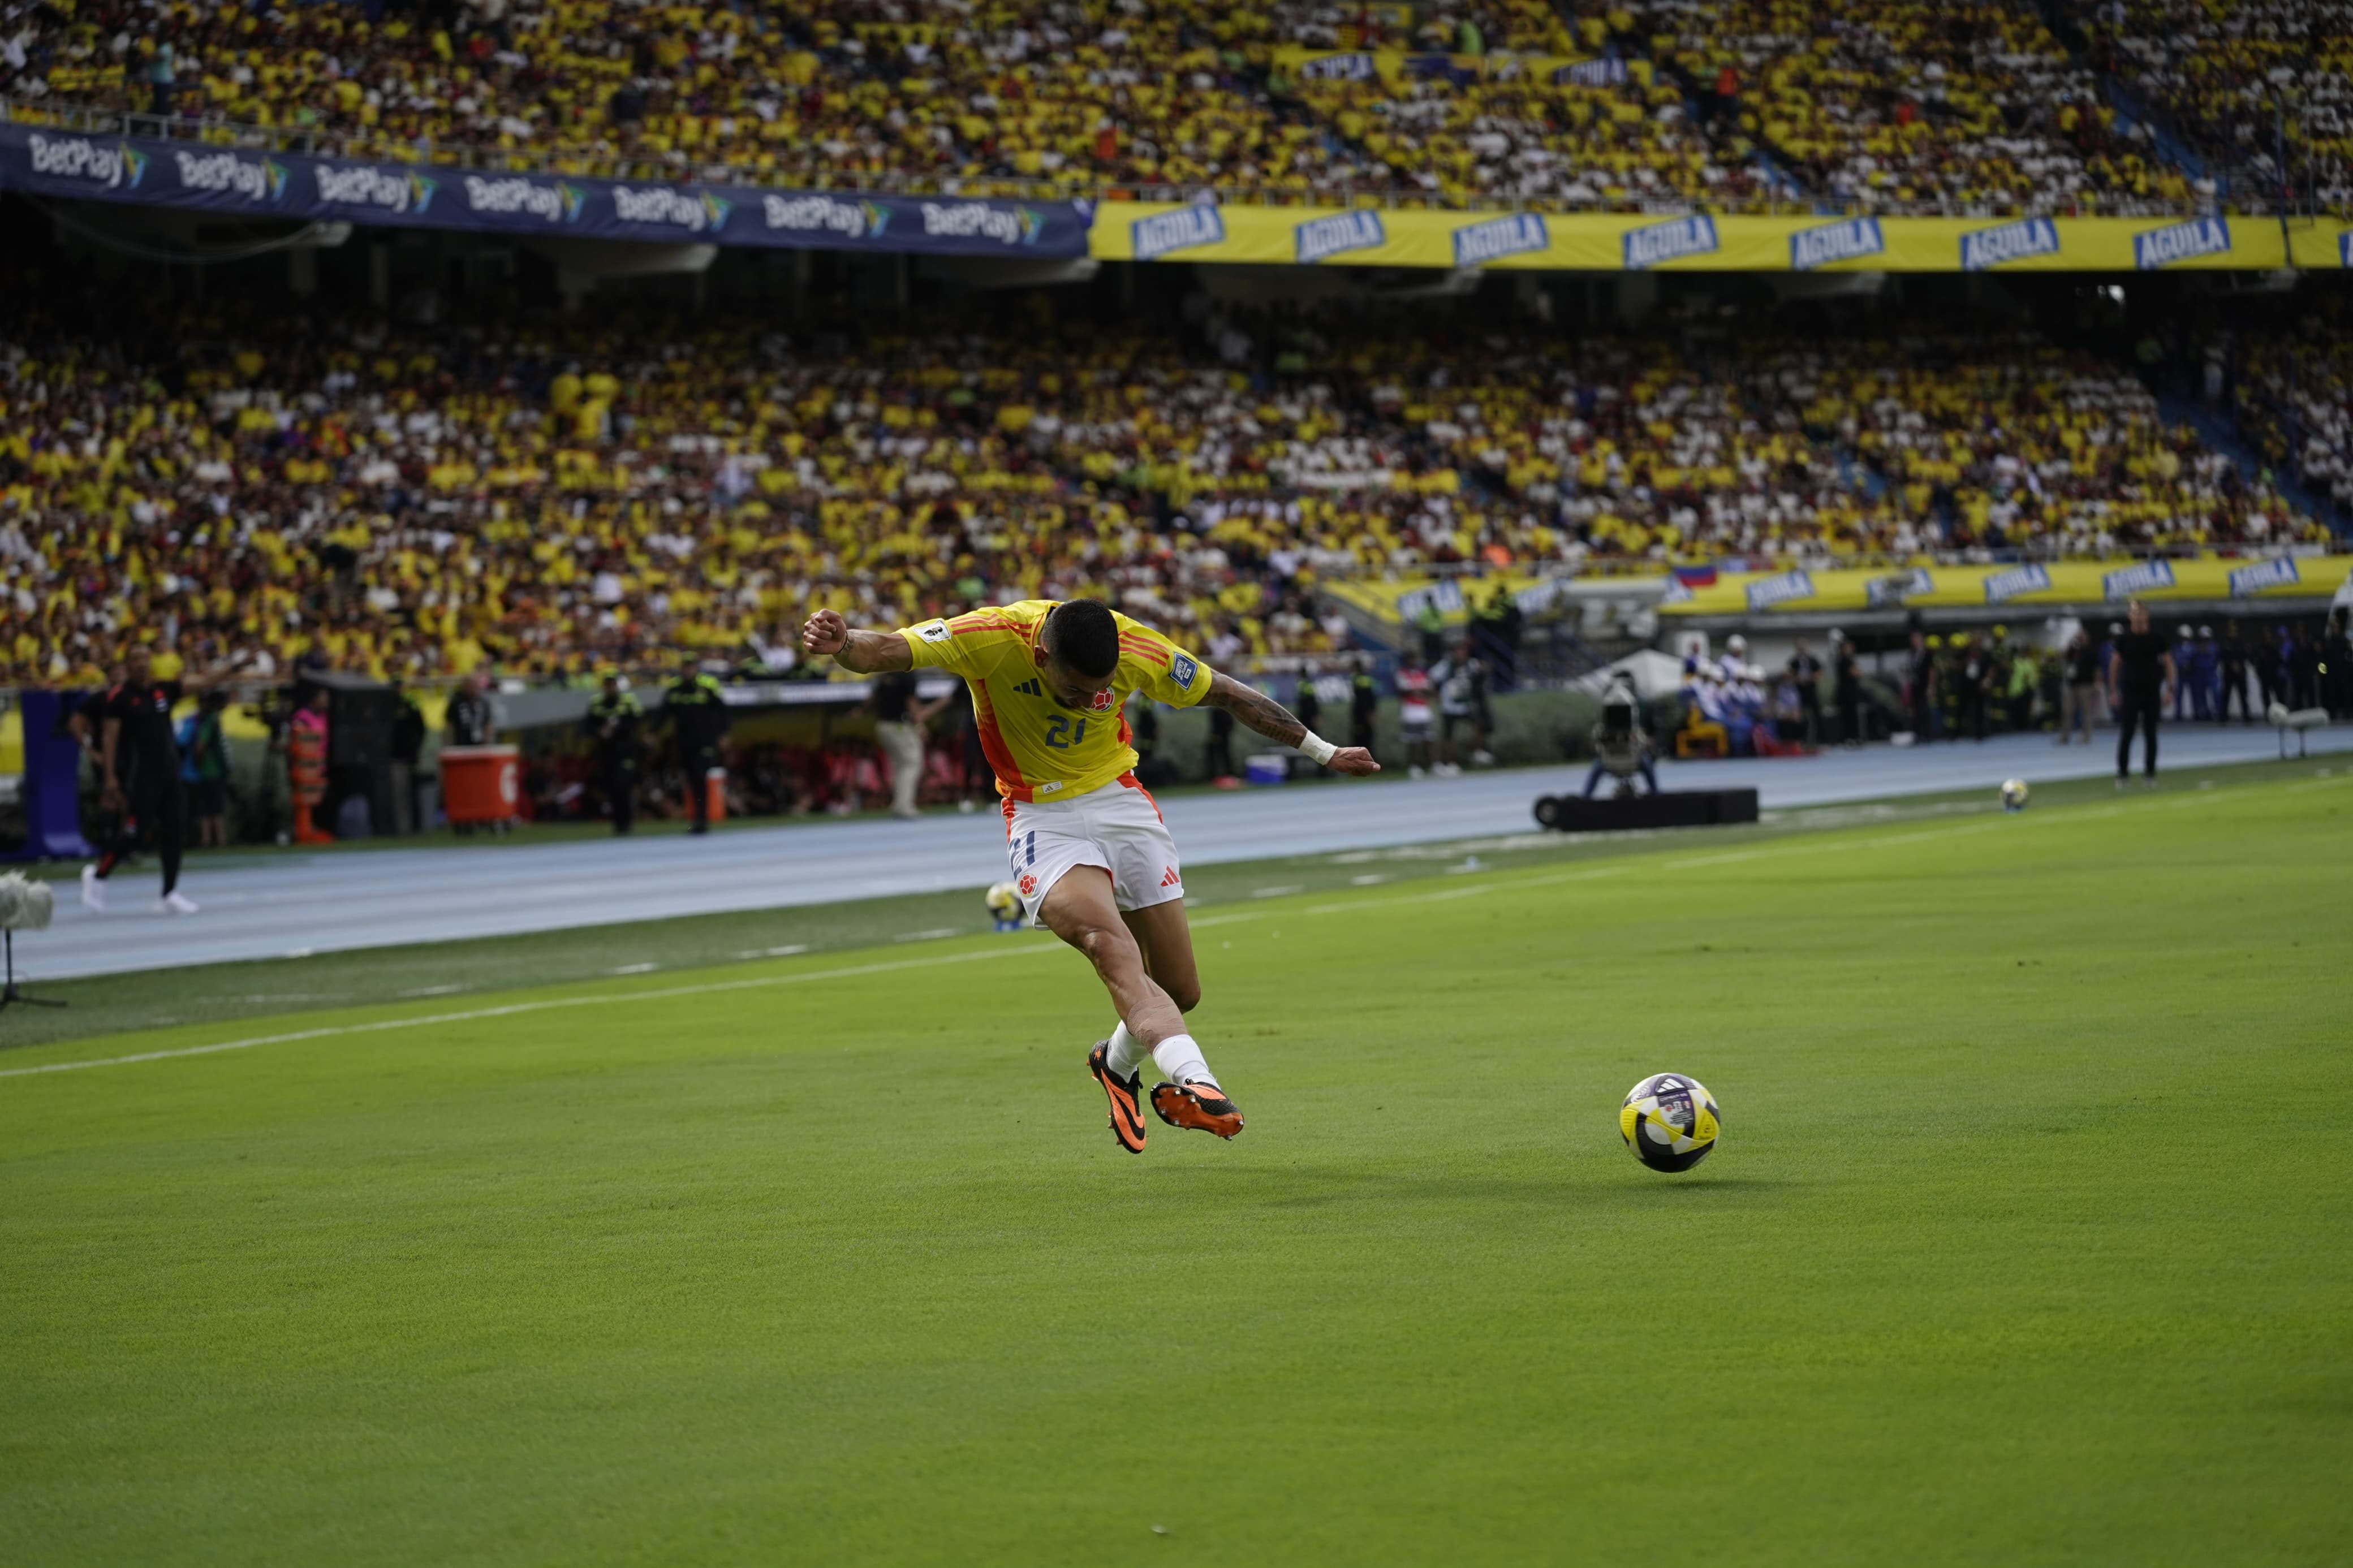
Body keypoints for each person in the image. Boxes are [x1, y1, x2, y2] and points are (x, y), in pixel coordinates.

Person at [800, 598, 1378, 1153]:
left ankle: (1114, 1061)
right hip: (1040, 816)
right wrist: (844, 642)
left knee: (1178, 988)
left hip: (1120, 803)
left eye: (1101, 690)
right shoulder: (990, 637)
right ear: (1043, 658)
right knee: (1111, 946)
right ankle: (1200, 1082)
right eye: (1077, 689)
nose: (1089, 700)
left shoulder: (1136, 649)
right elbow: (884, 651)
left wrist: (1323, 751)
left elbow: (1227, 693)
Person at [85, 644, 245, 914]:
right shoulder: (120, 697)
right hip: (143, 776)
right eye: (135, 659)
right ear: (127, 664)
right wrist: (111, 778)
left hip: (171, 773)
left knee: (174, 832)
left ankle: (169, 892)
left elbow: (205, 681)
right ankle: (98, 876)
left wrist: (235, 666)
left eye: (145, 658)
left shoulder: (164, 690)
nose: (141, 664)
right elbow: (110, 737)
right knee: (134, 834)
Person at [2110, 599, 2174, 789]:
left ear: (2147, 615)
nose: (2137, 615)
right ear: (2130, 616)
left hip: (2151, 692)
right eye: (2133, 612)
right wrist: (2113, 690)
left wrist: (2169, 688)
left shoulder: (2157, 639)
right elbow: (2115, 664)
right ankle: (2122, 775)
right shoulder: (2123, 640)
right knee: (2127, 734)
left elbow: (2169, 663)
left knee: (2151, 734)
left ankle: (2150, 774)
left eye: (2140, 612)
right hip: (2130, 692)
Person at [869, 666, 947, 820]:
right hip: (899, 726)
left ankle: (898, 804)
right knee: (912, 764)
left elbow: (871, 699)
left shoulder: (887, 673)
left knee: (899, 766)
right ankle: (904, 806)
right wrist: (922, 725)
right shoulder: (907, 676)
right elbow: (913, 707)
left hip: (882, 726)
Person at [663, 657, 730, 834]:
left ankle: (702, 819)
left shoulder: (708, 685)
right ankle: (696, 818)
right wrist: (652, 732)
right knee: (692, 779)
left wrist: (723, 734)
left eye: (691, 667)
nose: (688, 670)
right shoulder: (675, 687)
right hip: (684, 741)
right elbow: (664, 712)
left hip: (705, 740)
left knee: (700, 777)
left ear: (696, 668)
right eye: (685, 667)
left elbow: (722, 710)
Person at [585, 673, 644, 835]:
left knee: (622, 785)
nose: (610, 688)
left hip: (625, 751)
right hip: (606, 753)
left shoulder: (629, 701)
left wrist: (617, 728)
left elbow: (637, 721)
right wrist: (600, 731)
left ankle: (626, 822)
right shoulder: (597, 703)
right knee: (612, 787)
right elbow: (587, 726)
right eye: (608, 684)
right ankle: (618, 823)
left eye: (613, 684)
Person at [1581, 675, 1658, 797]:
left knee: (1647, 764)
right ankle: (1585, 798)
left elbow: (1642, 742)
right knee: (1597, 768)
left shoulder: (1634, 729)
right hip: (1610, 759)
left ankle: (1656, 795)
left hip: (1630, 758)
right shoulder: (1602, 729)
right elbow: (1596, 741)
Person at [176, 690, 232, 849]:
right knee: (212, 807)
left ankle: (208, 839)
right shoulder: (210, 720)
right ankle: (214, 839)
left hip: (207, 770)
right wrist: (199, 763)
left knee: (208, 807)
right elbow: (200, 745)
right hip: (210, 770)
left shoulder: (204, 719)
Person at [1395, 655, 1436, 777]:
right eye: (1410, 659)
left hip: (1423, 709)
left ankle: (1434, 765)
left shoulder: (1422, 673)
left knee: (1429, 739)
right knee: (1412, 741)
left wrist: (1416, 690)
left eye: (1414, 659)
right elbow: (1404, 691)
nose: (1413, 661)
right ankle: (1413, 766)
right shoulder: (1401, 674)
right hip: (1410, 710)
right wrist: (1419, 690)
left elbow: (1430, 690)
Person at [2059, 627, 2099, 745]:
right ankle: (2064, 736)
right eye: (2079, 637)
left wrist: (2097, 683)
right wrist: (2071, 642)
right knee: (2067, 710)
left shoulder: (2091, 651)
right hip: (2072, 685)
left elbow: (2098, 669)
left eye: (2082, 637)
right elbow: (2062, 656)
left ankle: (2086, 736)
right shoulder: (2073, 650)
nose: (2080, 639)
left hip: (2086, 685)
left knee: (2086, 712)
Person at [445, 674, 495, 748]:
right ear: (464, 686)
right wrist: (449, 745)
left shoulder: (483, 702)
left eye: (474, 685)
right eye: (469, 685)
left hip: (480, 745)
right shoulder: (456, 702)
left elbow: (488, 723)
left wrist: (488, 742)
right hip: (460, 745)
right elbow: (449, 725)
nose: (472, 688)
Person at [1790, 637, 1824, 745]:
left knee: (1816, 714)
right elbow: (1790, 675)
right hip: (1799, 691)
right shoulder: (1794, 661)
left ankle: (1819, 738)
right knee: (1802, 716)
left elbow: (1819, 673)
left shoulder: (1813, 660)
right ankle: (1803, 739)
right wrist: (1798, 679)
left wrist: (1810, 678)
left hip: (1811, 690)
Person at [1833, 634, 1862, 746]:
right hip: (1847, 693)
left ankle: (1852, 737)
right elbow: (1856, 673)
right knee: (1849, 716)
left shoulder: (1847, 660)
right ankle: (1850, 737)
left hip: (1850, 692)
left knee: (1851, 716)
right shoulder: (1845, 661)